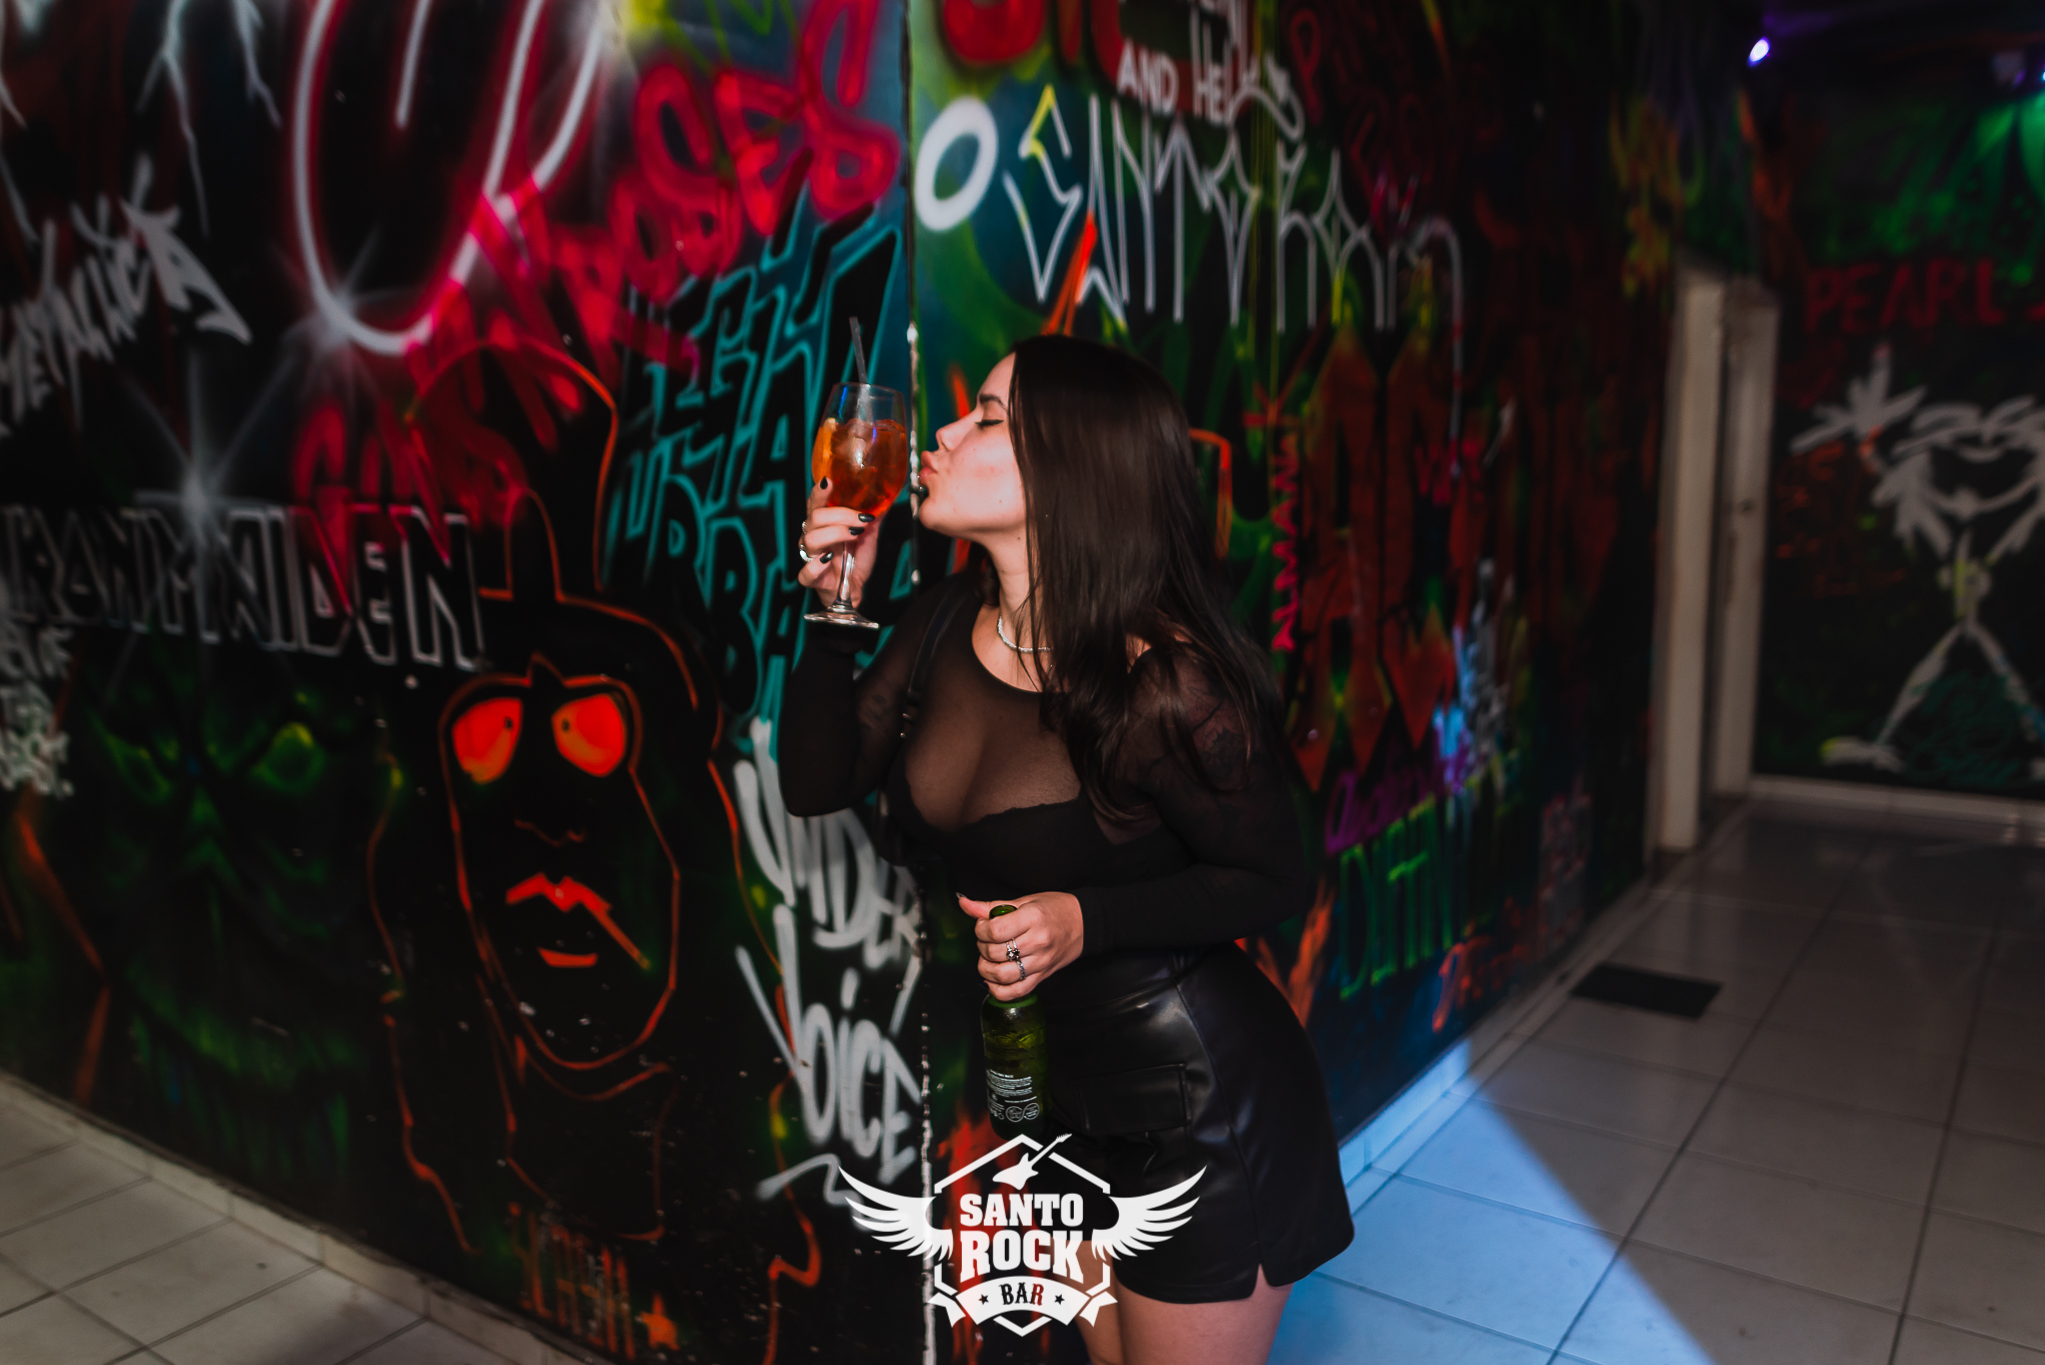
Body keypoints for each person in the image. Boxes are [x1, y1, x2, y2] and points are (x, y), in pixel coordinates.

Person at [778, 335, 1353, 1365]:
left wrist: (1088, 919)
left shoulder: (1163, 680)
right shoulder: (941, 622)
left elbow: (1275, 877)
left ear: (1069, 470)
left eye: (986, 417)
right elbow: (815, 783)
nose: (940, 433)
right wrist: (834, 606)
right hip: (1056, 1095)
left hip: (1197, 1106)